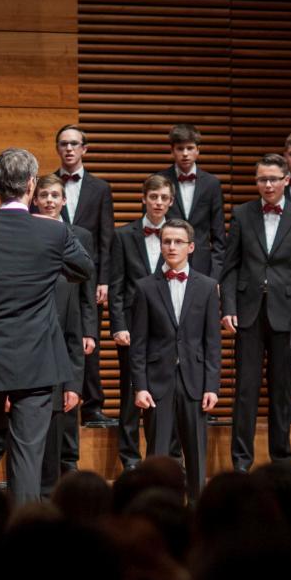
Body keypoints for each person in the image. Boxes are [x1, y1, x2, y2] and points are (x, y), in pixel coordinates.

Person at [0, 148, 92, 503]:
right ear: (32, 185)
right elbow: (84, 269)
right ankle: (23, 537)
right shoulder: (53, 234)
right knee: (28, 453)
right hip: (38, 358)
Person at [221, 154, 291, 472]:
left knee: (281, 391)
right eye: (262, 179)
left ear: (286, 180)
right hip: (248, 313)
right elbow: (230, 266)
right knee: (245, 390)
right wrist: (229, 308)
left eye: (274, 179)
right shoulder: (241, 213)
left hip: (286, 312)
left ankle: (281, 459)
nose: (268, 185)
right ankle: (241, 461)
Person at [129, 219, 221, 498]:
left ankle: (196, 512)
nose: (171, 246)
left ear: (190, 247)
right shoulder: (145, 287)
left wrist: (211, 386)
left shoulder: (207, 286)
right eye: (166, 241)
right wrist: (140, 386)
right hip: (157, 383)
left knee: (195, 453)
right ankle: (156, 510)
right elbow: (139, 343)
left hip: (194, 381)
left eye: (178, 242)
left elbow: (212, 342)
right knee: (156, 454)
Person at [33, 173, 97, 481]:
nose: (49, 200)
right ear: (35, 198)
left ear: (64, 199)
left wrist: (88, 329)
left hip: (70, 324)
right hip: (38, 325)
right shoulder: (28, 232)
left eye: (54, 195)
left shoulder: (80, 235)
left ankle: (68, 460)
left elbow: (87, 289)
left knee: (69, 395)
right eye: (44, 195)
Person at [109, 175, 174, 472]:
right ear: (143, 199)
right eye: (153, 197)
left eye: (164, 198)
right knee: (131, 393)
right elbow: (117, 285)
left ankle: (163, 456)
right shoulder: (124, 236)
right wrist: (118, 324)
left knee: (166, 393)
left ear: (171, 201)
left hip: (167, 328)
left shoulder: (178, 235)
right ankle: (130, 458)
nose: (158, 202)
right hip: (133, 325)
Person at [53, 125, 115, 429]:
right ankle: (57, 400)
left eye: (74, 144)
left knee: (89, 341)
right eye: (64, 144)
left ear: (84, 149)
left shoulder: (100, 188)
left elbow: (106, 237)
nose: (69, 149)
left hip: (90, 276)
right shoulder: (49, 185)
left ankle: (92, 405)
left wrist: (103, 279)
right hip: (56, 277)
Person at [156, 124, 225, 276]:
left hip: (203, 266)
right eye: (180, 149)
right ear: (172, 150)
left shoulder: (212, 184)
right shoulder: (159, 181)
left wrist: (216, 275)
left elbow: (219, 236)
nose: (185, 153)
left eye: (190, 148)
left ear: (198, 150)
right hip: (166, 263)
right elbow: (153, 228)